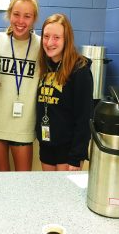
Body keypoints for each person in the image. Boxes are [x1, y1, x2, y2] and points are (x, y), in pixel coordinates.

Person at [36, 13, 94, 171]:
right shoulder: (45, 65)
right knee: (49, 192)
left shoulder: (79, 70)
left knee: (65, 194)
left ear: (66, 39)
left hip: (68, 150)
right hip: (47, 144)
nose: (49, 42)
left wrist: (76, 157)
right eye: (46, 36)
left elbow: (84, 118)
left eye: (56, 37)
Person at [0, 0, 40, 171]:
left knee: (22, 181)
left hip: (24, 126)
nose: (21, 21)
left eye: (27, 16)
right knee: (1, 178)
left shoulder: (42, 45)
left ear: (34, 19)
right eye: (16, 14)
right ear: (9, 14)